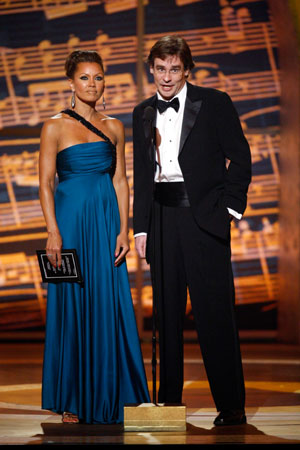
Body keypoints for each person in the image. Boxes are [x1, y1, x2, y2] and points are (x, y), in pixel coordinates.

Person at [133, 35, 251, 426]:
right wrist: (141, 228)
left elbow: (242, 157)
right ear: (152, 68)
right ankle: (169, 403)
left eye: (175, 69)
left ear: (187, 70)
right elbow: (143, 175)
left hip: (205, 221)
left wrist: (229, 209)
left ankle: (231, 406)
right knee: (166, 315)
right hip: (162, 221)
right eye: (160, 68)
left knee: (214, 312)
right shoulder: (142, 112)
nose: (167, 77)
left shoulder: (215, 103)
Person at [39, 50, 150, 424]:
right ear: (71, 82)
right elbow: (44, 183)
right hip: (69, 226)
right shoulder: (53, 126)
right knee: (70, 304)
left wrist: (124, 228)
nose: (93, 84)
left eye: (98, 77)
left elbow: (120, 181)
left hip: (105, 226)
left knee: (107, 302)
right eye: (85, 77)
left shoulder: (115, 126)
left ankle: (111, 392)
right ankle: (72, 398)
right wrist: (53, 231)